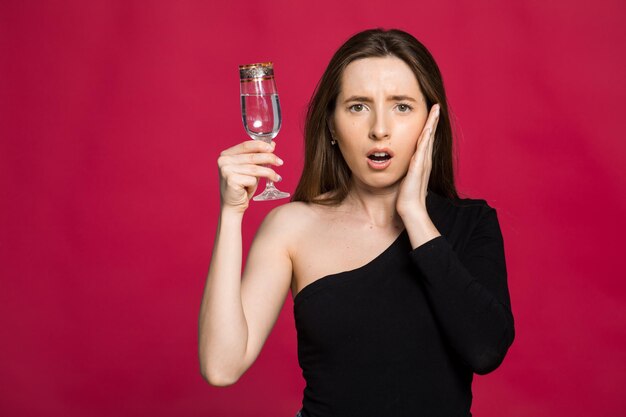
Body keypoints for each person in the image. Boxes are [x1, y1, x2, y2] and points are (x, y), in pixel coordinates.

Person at [198, 28, 515, 417]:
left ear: (430, 122)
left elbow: (485, 349)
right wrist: (231, 214)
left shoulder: (472, 224)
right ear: (331, 125)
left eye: (401, 106)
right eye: (357, 106)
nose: (379, 129)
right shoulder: (291, 227)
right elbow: (221, 366)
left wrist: (414, 215)